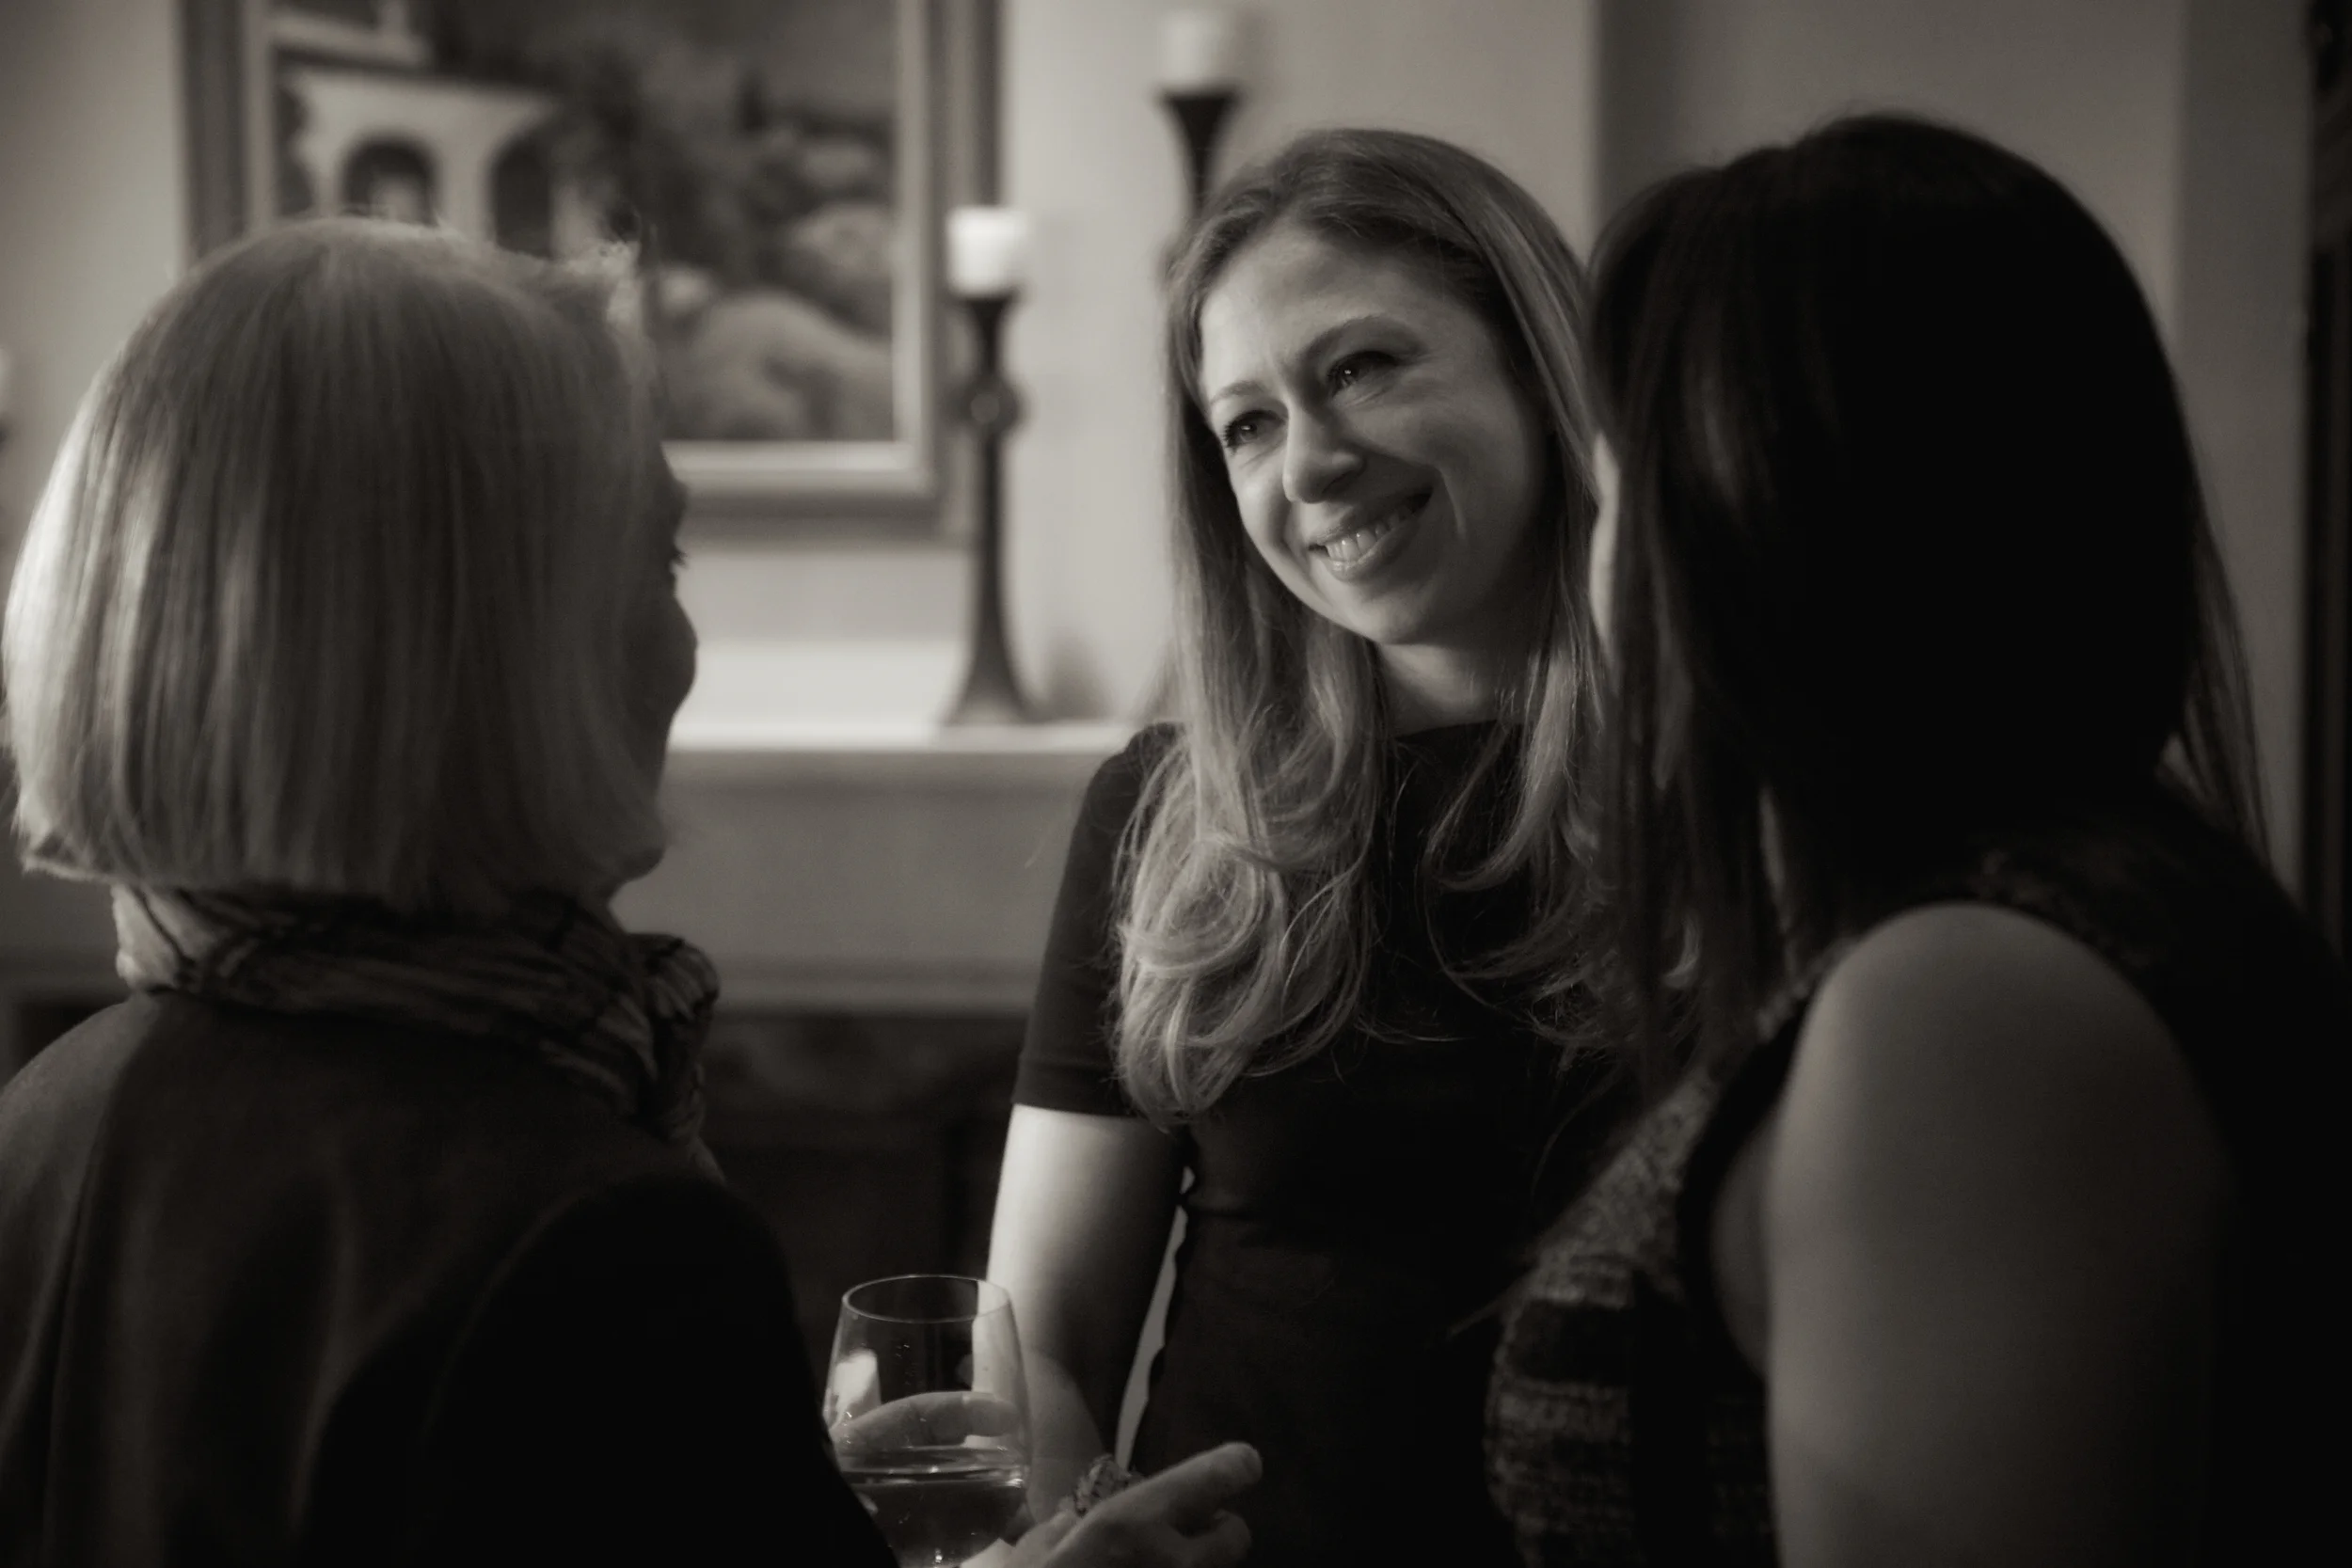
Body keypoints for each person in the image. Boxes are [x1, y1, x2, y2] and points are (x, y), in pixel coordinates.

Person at [0, 216, 1257, 1566]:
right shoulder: (591, 1241)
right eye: (660, 565)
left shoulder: (46, 1117)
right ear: (503, 646)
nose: (686, 648)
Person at [1486, 114, 2351, 1565]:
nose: (1596, 558)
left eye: (1616, 487)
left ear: (1754, 518)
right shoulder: (2034, 921)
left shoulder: (1968, 1007)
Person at [987, 129, 1625, 1566]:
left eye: (1363, 367)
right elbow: (1042, 1343)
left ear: (1539, 368)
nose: (1314, 465)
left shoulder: (1714, 785)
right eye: (1248, 424)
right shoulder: (1172, 810)